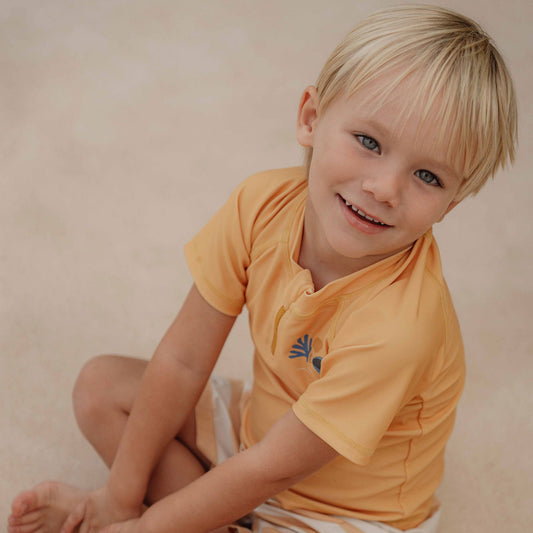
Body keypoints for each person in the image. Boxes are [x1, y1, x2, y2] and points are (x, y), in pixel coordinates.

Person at [8, 5, 517, 533]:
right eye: (369, 142)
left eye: (428, 176)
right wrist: (119, 498)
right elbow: (183, 361)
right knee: (101, 388)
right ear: (311, 119)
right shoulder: (260, 205)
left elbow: (270, 470)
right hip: (259, 435)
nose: (385, 188)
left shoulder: (402, 328)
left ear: (451, 205)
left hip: (344, 516)